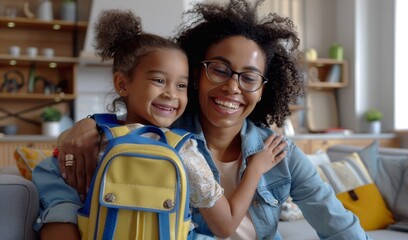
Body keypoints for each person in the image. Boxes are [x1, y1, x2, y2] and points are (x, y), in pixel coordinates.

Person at [56, 0, 371, 239]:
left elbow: (339, 225)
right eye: (219, 69)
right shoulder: (162, 140)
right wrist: (91, 123)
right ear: (196, 76)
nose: (232, 86)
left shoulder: (279, 154)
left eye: (249, 78)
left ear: (263, 90)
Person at [31, 9, 287, 240]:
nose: (171, 94)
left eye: (182, 85)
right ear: (122, 84)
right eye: (159, 80)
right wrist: (255, 169)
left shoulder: (102, 139)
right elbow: (226, 226)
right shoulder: (185, 151)